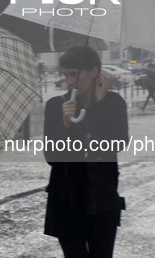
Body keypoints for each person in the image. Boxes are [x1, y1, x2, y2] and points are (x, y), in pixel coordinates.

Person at [43, 46, 128, 258]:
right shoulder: (56, 106)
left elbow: (117, 143)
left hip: (102, 199)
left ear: (95, 72)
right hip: (67, 200)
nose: (70, 80)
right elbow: (51, 157)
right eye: (66, 74)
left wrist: (98, 107)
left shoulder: (114, 103)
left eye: (75, 73)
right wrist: (64, 125)